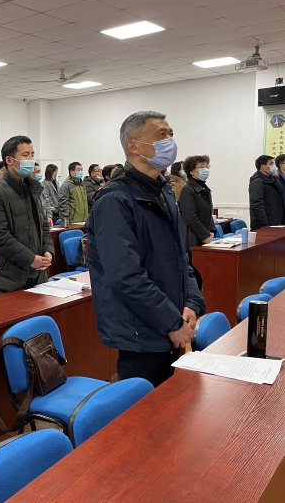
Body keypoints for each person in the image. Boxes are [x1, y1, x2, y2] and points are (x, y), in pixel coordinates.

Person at [86, 111, 205, 387]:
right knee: (145, 408)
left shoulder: (162, 190)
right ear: (134, 146)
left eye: (171, 134)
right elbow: (126, 276)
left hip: (171, 320)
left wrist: (191, 302)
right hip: (141, 332)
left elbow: (180, 257)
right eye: (161, 135)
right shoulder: (115, 199)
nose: (170, 141)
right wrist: (171, 322)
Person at [0, 136, 54, 295]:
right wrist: (30, 259)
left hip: (37, 276)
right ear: (9, 160)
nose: (31, 160)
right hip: (8, 279)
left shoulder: (33, 189)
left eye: (32, 155)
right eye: (25, 155)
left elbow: (43, 225)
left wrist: (48, 250)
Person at [178, 155, 216, 291]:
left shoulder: (204, 189)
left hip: (203, 238)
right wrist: (204, 235)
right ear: (191, 171)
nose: (205, 169)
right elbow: (190, 216)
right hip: (191, 239)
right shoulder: (188, 190)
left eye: (207, 166)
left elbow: (208, 213)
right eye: (201, 167)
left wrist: (212, 230)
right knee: (195, 275)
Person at [249, 155, 285, 230]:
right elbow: (257, 204)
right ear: (263, 166)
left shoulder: (272, 179)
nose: (274, 166)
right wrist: (265, 224)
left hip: (276, 222)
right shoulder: (257, 181)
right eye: (271, 164)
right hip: (265, 225)